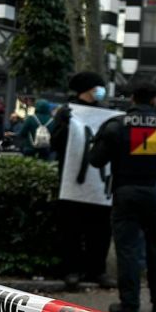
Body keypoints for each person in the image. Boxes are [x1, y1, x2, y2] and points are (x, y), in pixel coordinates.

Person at [89, 82, 156, 312]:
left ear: (132, 99)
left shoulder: (115, 125)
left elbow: (96, 160)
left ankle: (130, 305)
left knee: (128, 250)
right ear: (155, 101)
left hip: (126, 194)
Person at [50, 71, 114, 291]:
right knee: (71, 229)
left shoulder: (106, 113)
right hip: (72, 182)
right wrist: (66, 125)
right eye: (98, 87)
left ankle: (97, 270)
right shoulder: (67, 112)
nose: (101, 91)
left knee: (101, 229)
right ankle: (72, 270)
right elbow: (55, 143)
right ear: (89, 89)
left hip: (99, 183)